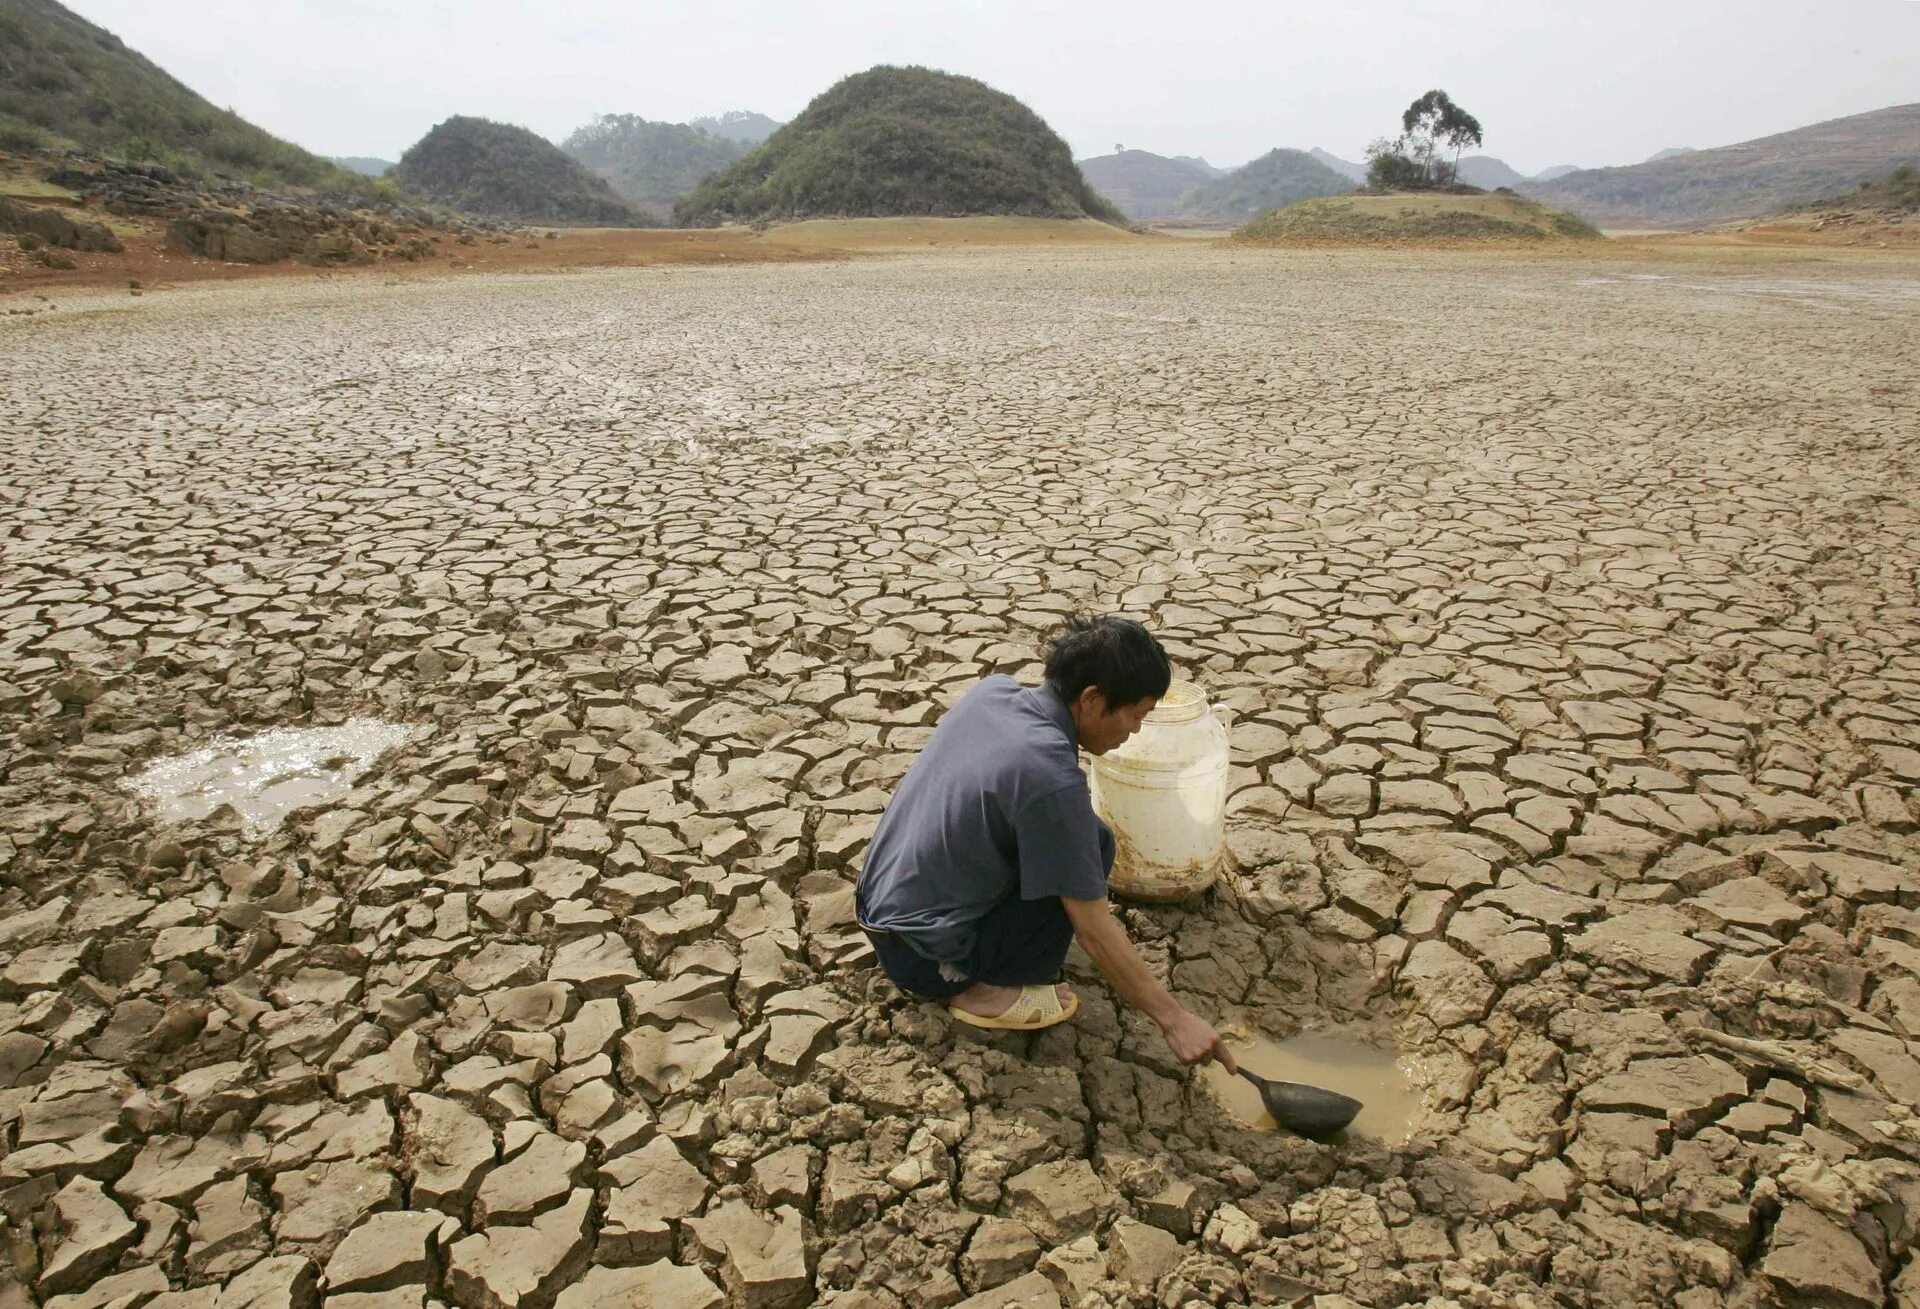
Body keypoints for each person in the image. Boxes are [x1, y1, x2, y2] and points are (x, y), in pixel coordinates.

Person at [856, 614, 1236, 1072]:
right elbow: (1093, 930)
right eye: (1135, 715)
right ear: (1092, 700)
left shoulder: (993, 693)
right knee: (1085, 858)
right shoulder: (1050, 778)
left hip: (881, 909)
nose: (1134, 730)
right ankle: (976, 989)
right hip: (921, 957)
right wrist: (1175, 1020)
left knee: (1090, 840)